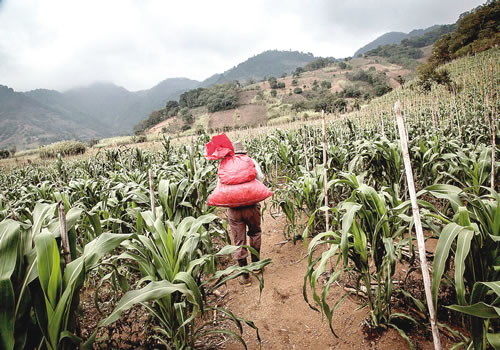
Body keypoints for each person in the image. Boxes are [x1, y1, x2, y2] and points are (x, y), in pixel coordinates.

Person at [227, 141, 264, 286]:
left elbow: (221, 186)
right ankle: (256, 266)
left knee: (238, 240)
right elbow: (261, 179)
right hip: (251, 206)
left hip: (234, 210)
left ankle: (245, 276)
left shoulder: (226, 164)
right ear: (244, 151)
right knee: (255, 233)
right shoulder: (251, 161)